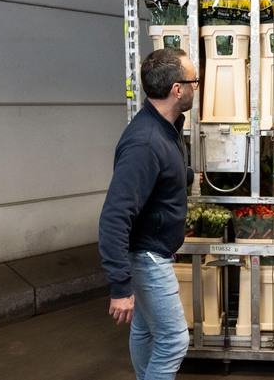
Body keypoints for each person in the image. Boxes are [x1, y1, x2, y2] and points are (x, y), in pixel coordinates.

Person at [99, 47, 197, 380]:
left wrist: (188, 176)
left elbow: (161, 175)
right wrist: (119, 286)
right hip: (148, 257)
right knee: (173, 340)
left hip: (151, 253)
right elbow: (114, 217)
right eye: (194, 81)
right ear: (177, 89)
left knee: (144, 330)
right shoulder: (145, 142)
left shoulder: (166, 128)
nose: (196, 87)